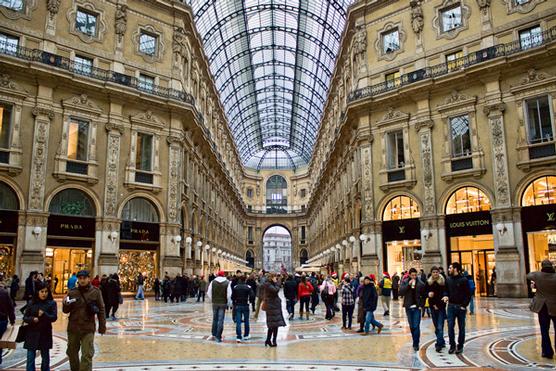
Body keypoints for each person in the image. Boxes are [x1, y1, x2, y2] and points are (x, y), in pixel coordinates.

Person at [63, 270, 106, 371]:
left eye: (84, 278)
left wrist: (102, 325)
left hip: (88, 327)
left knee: (87, 354)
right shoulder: (72, 292)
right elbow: (65, 311)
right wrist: (65, 304)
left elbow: (101, 309)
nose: (82, 280)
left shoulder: (96, 292)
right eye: (80, 278)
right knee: (71, 352)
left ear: (88, 279)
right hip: (73, 327)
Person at [23, 281, 57, 371]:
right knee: (30, 357)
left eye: (46, 292)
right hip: (32, 333)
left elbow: (54, 317)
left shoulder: (52, 303)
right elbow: (25, 317)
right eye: (42, 292)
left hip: (45, 333)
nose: (44, 294)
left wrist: (44, 314)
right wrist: (32, 319)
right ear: (38, 292)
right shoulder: (31, 303)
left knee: (45, 357)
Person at [527, 259, 556, 359]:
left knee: (544, 330)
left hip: (542, 307)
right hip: (554, 306)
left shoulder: (538, 276)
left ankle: (547, 352)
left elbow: (528, 275)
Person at [442, 262, 471, 355]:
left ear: (455, 269)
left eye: (450, 268)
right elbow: (445, 290)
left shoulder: (464, 280)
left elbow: (468, 294)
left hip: (460, 307)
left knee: (461, 327)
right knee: (450, 326)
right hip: (450, 306)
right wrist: (446, 296)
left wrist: (464, 305)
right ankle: (452, 345)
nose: (448, 269)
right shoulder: (448, 279)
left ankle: (460, 345)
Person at [400, 268, 425, 351]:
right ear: (409, 275)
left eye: (415, 275)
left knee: (416, 325)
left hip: (417, 307)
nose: (414, 277)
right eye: (412, 275)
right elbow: (400, 292)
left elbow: (424, 295)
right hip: (408, 306)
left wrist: (421, 305)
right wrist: (408, 285)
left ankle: (416, 343)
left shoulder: (421, 283)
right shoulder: (405, 281)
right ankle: (415, 340)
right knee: (411, 326)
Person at [206, 271, 232, 343]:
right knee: (221, 319)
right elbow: (229, 294)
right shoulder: (227, 282)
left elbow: (209, 292)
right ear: (223, 275)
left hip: (215, 303)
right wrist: (226, 300)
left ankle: (213, 334)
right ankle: (218, 336)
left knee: (215, 318)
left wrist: (213, 299)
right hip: (223, 303)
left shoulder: (213, 282)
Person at [426, 266, 447, 352]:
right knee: (436, 326)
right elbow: (425, 292)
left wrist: (439, 304)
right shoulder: (428, 282)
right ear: (431, 273)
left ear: (439, 273)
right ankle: (441, 341)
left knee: (439, 326)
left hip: (441, 307)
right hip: (432, 307)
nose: (435, 274)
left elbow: (445, 293)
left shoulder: (442, 281)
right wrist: (428, 294)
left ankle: (438, 344)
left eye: (437, 272)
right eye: (434, 272)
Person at [263, 273, 286, 347]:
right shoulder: (268, 284)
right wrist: (278, 283)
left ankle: (272, 340)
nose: (276, 278)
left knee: (276, 325)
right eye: (275, 277)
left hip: (275, 306)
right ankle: (269, 340)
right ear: (271, 277)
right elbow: (275, 290)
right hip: (271, 306)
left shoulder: (271, 284)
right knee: (272, 324)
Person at [231, 275, 255, 343]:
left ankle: (238, 337)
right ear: (245, 280)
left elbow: (232, 297)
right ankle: (246, 335)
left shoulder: (236, 287)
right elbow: (252, 295)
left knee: (238, 321)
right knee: (246, 320)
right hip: (245, 305)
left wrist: (235, 301)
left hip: (238, 305)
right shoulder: (248, 287)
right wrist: (250, 301)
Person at [0, 280, 16, 366]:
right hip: (2, 320)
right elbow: (10, 307)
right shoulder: (4, 292)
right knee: (0, 341)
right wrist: (12, 319)